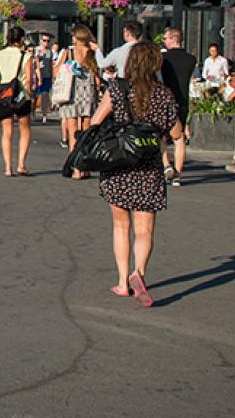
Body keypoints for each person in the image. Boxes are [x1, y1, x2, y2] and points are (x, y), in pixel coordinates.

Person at [83, 41, 183, 308]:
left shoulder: (117, 89)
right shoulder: (164, 94)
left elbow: (95, 121)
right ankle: (139, 272)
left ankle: (122, 282)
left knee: (120, 226)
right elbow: (176, 133)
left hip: (118, 164)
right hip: (149, 166)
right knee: (145, 229)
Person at [0, 26, 36, 177]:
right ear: (21, 39)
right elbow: (28, 79)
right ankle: (21, 164)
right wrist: (31, 96)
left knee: (6, 131)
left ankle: (8, 167)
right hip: (21, 96)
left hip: (5, 95)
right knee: (25, 129)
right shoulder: (26, 55)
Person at [158, 28, 196, 186]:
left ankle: (166, 164)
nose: (164, 41)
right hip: (182, 101)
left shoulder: (163, 58)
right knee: (179, 137)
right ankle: (178, 175)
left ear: (173, 39)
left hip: (165, 101)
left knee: (161, 136)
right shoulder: (191, 59)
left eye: (166, 38)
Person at [58, 26, 102, 158]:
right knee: (86, 127)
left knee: (72, 128)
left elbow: (56, 72)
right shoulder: (92, 52)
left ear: (77, 37)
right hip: (88, 93)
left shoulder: (69, 52)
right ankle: (83, 162)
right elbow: (97, 77)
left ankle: (74, 165)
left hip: (71, 92)